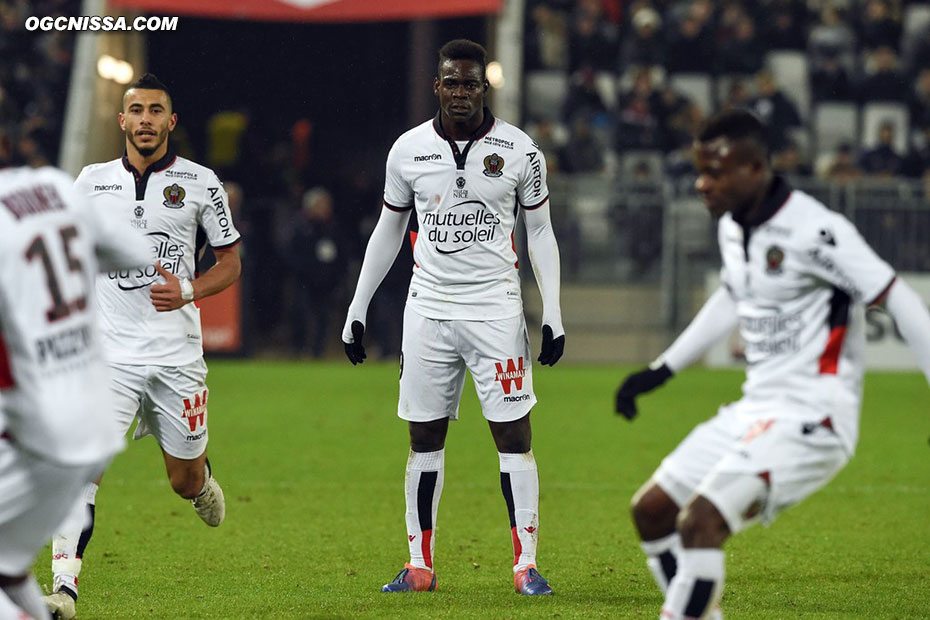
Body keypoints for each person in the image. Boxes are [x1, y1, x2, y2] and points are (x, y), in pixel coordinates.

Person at [614, 109, 930, 619]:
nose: (701, 184)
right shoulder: (733, 227)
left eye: (714, 173)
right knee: (652, 512)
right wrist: (661, 370)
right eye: (699, 170)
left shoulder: (816, 230)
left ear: (755, 170)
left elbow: (899, 298)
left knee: (701, 524)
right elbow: (734, 298)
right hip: (756, 407)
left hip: (816, 415)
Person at [342, 39, 565, 595]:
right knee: (423, 439)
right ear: (436, 86)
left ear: (483, 87)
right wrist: (358, 307)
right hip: (429, 311)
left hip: (496, 312)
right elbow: (389, 229)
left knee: (514, 436)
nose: (460, 92)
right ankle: (419, 565)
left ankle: (525, 566)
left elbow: (538, 231)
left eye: (470, 83)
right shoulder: (407, 150)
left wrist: (554, 313)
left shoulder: (520, 151)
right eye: (451, 82)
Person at [44, 73, 242, 619]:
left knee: (182, 480)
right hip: (110, 356)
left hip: (177, 357)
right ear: (122, 119)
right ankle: (64, 589)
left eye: (157, 111)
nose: (147, 120)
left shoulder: (202, 183)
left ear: (171, 121)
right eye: (138, 111)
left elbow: (230, 261)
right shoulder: (90, 181)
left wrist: (190, 289)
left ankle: (201, 480)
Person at [0, 133, 150, 619]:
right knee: (10, 567)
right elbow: (135, 253)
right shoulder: (58, 190)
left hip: (31, 431)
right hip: (90, 423)